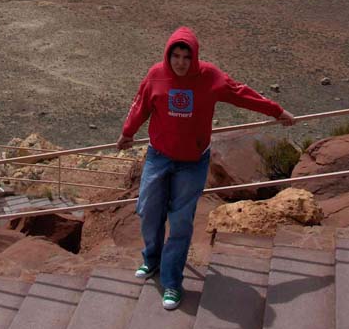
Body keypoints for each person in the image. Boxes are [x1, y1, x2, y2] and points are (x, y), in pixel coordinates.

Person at [116, 26, 295, 310]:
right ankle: (152, 258)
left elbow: (241, 93)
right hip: (159, 156)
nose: (180, 62)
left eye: (186, 57)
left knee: (181, 221)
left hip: (192, 162)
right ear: (168, 55)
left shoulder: (209, 76)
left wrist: (276, 111)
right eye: (175, 55)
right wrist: (128, 132)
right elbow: (141, 105)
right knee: (149, 209)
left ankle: (172, 281)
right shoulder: (156, 74)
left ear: (195, 57)